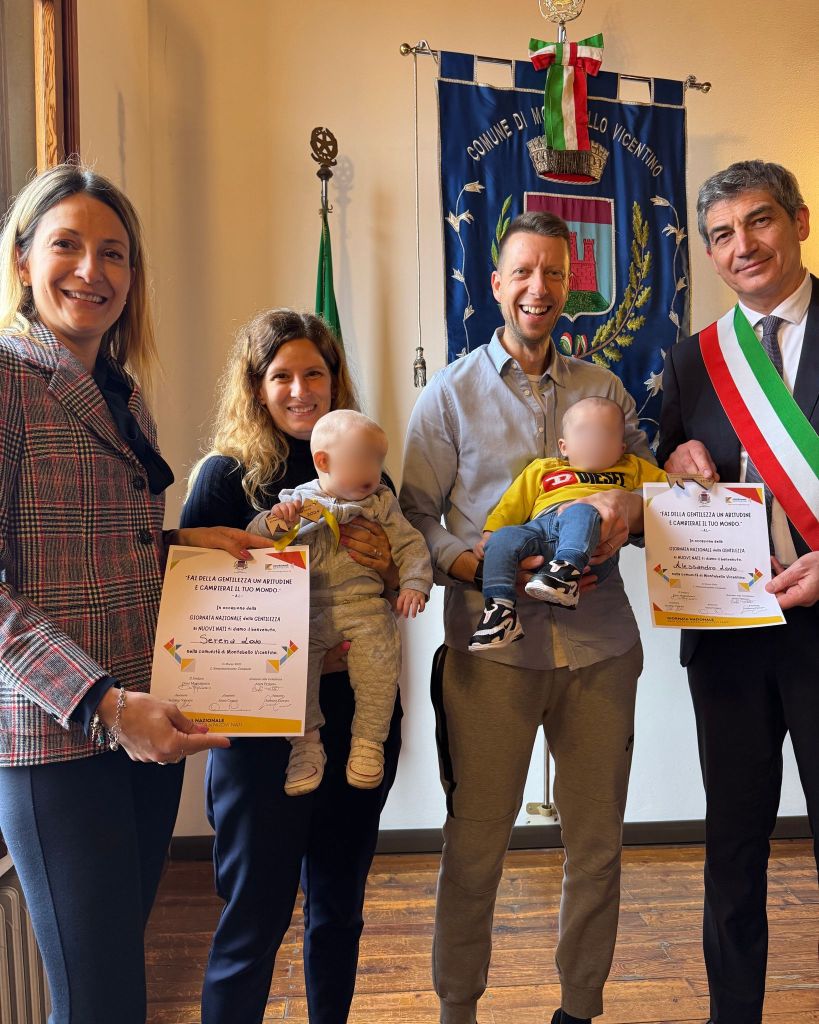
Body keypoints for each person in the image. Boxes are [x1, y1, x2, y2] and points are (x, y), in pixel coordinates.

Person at [0, 163, 266, 1024]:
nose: (92, 270)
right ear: (21, 260)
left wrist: (183, 544)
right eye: (67, 245)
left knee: (117, 988)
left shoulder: (123, 395)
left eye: (113, 253)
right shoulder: (5, 380)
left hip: (144, 730)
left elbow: (82, 544)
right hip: (58, 738)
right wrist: (107, 706)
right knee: (99, 1001)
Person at [400, 210, 653, 1024]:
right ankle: (457, 1009)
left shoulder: (603, 391)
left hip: (599, 649)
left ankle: (579, 1007)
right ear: (496, 283)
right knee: (475, 846)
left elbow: (645, 496)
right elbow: (414, 517)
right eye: (522, 272)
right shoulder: (448, 394)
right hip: (490, 653)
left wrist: (627, 518)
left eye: (552, 272)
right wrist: (475, 566)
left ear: (569, 285)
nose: (537, 288)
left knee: (597, 847)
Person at [181, 308, 404, 1024]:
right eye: (281, 376)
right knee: (254, 914)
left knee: (338, 908)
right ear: (256, 386)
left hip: (352, 711)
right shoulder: (225, 477)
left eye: (315, 373)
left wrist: (391, 569)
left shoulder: (366, 468)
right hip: (257, 726)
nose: (300, 390)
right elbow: (193, 597)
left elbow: (400, 583)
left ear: (335, 380)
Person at [657, 159, 819, 1024]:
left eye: (758, 221)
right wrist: (672, 459)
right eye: (721, 234)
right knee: (731, 851)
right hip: (728, 640)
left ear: (798, 221)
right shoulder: (694, 359)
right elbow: (663, 458)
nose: (742, 245)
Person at [249, 408, 431, 795]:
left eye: (378, 461)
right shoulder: (298, 502)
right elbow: (256, 540)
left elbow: (411, 544)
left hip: (365, 607)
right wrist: (276, 522)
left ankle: (368, 743)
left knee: (379, 667)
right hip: (305, 612)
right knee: (289, 672)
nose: (374, 472)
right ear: (323, 461)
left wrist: (414, 583)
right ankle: (305, 746)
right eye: (364, 461)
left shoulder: (380, 503)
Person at [469, 396, 667, 650]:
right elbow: (511, 504)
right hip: (543, 529)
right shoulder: (544, 469)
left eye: (605, 434)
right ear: (564, 446)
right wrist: (490, 533)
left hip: (593, 545)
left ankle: (566, 572)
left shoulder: (632, 466)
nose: (594, 441)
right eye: (584, 432)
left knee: (581, 509)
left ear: (621, 447)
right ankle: (499, 610)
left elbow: (670, 492)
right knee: (502, 539)